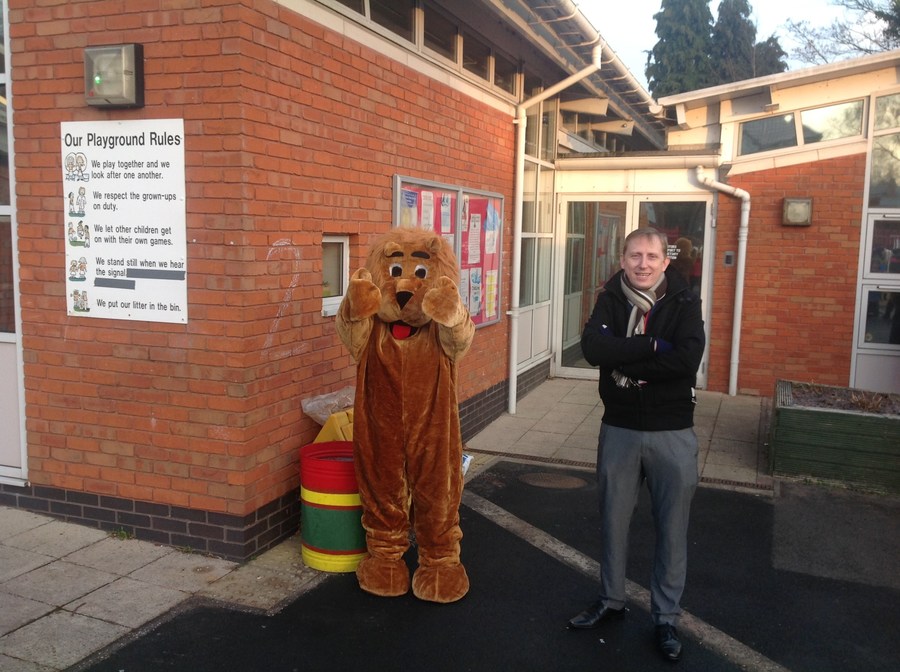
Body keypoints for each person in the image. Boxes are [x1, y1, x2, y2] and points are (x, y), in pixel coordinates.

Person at [569, 227, 705, 662]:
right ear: (622, 259)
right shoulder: (610, 297)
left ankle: (665, 617)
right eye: (634, 256)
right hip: (620, 428)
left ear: (665, 261)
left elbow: (686, 360)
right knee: (612, 521)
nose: (642, 264)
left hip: (672, 432)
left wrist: (622, 351)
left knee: (671, 529)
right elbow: (593, 349)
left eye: (651, 256)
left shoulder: (685, 301)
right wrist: (648, 344)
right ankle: (610, 600)